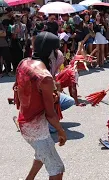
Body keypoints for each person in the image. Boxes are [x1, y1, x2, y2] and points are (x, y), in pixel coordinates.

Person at [13, 31, 67, 180]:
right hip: (36, 128)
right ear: (51, 53)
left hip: (24, 122)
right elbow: (50, 114)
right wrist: (61, 131)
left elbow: (21, 90)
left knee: (42, 154)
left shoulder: (23, 63)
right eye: (56, 51)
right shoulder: (45, 77)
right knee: (57, 169)